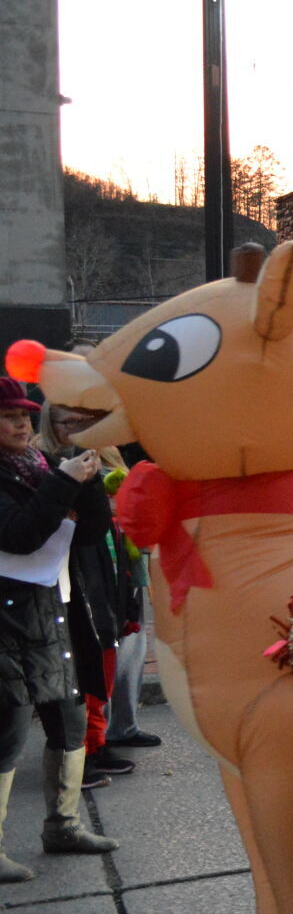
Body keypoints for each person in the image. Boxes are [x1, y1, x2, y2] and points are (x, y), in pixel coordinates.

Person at [0, 377, 119, 880]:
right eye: (9, 417)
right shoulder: (39, 474)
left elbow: (91, 531)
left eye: (25, 415)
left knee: (69, 721)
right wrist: (65, 482)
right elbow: (20, 536)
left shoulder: (44, 466)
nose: (22, 424)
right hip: (6, 616)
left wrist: (87, 485)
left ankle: (63, 826)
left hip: (52, 607)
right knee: (7, 727)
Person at [36, 404, 140, 787]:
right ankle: (80, 755)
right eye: (71, 422)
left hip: (102, 570)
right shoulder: (42, 462)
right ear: (51, 423)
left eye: (86, 423)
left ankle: (93, 747)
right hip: (61, 583)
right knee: (76, 676)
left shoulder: (96, 455)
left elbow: (95, 527)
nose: (81, 430)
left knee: (101, 665)